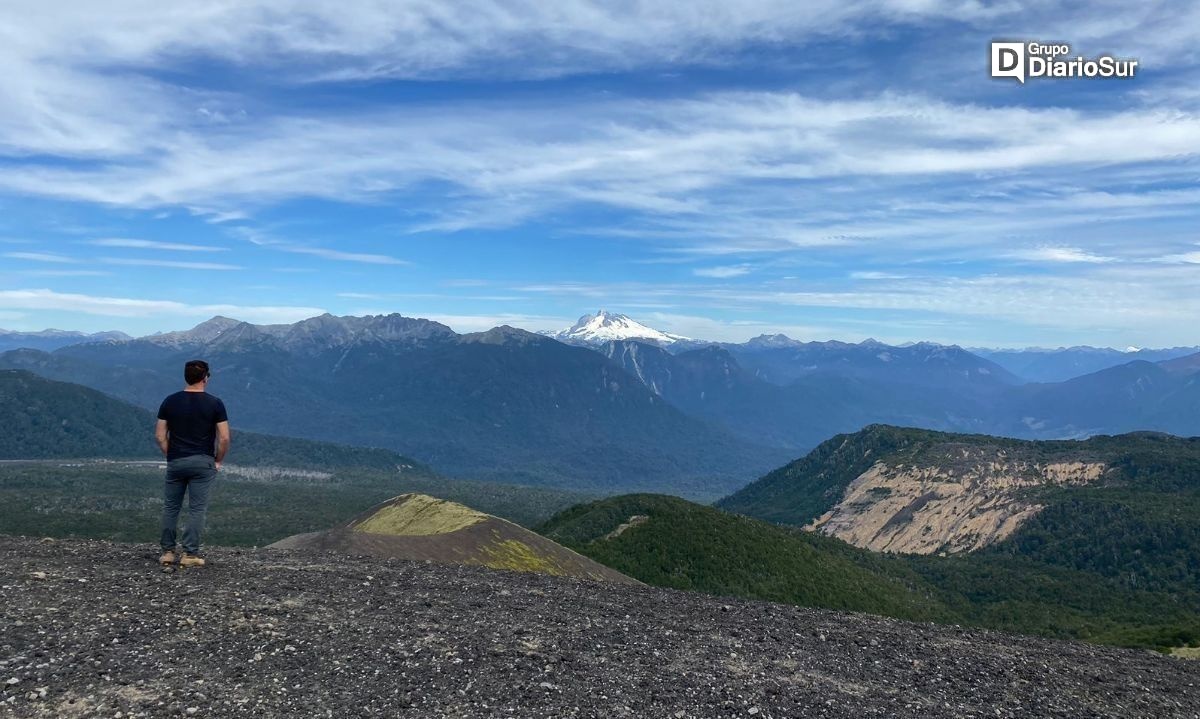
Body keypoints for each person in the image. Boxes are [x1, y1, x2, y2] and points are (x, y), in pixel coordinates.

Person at [154, 359, 230, 567]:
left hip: (176, 460)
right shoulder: (215, 403)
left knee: (171, 507)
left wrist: (173, 454)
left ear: (186, 377)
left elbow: (160, 435)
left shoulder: (170, 401)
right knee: (197, 509)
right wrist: (218, 459)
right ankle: (189, 554)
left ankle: (167, 552)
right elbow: (223, 438)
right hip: (203, 461)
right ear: (205, 378)